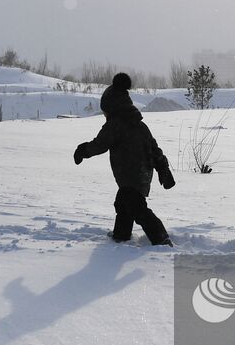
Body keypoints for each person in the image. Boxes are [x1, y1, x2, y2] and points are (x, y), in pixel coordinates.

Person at [73, 73, 177, 246]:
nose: (104, 115)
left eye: (105, 111)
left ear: (111, 108)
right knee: (123, 203)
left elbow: (100, 144)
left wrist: (83, 150)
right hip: (141, 173)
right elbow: (154, 149)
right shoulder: (140, 125)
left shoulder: (116, 124)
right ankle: (121, 235)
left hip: (131, 174)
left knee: (137, 208)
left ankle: (161, 238)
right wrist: (163, 169)